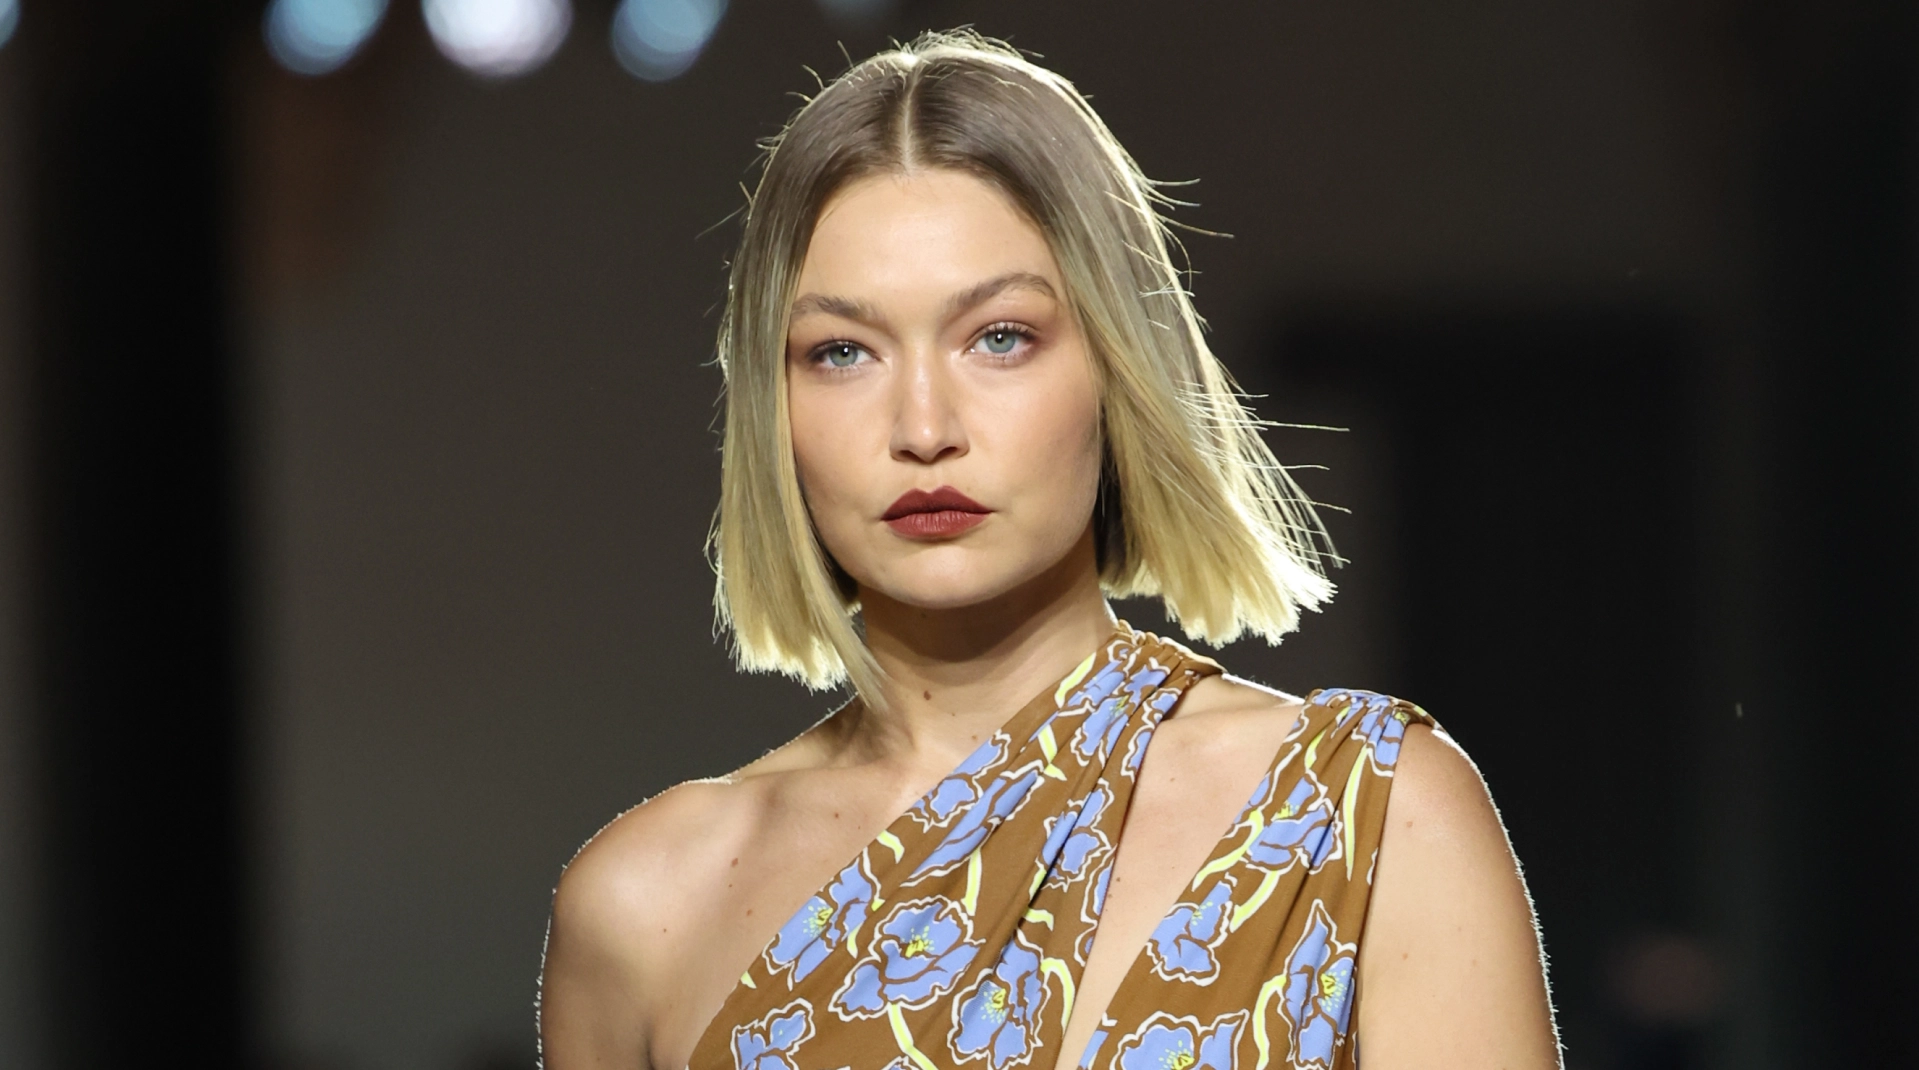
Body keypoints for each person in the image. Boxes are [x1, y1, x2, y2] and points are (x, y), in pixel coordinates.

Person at [539, 31, 1559, 1070]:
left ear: (1115, 364)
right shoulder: (644, 906)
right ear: (772, 402)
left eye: (999, 337)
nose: (923, 426)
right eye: (842, 352)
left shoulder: (1365, 817)